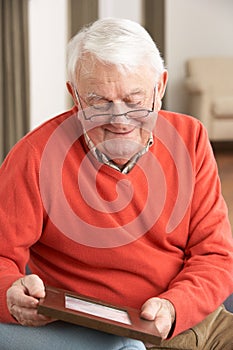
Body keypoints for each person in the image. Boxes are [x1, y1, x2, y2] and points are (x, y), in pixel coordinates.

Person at [0, 17, 233, 350]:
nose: (119, 120)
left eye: (134, 100)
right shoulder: (34, 155)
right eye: (100, 102)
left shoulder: (190, 138)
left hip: (197, 317)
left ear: (160, 88)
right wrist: (9, 293)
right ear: (75, 96)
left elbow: (215, 254)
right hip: (108, 337)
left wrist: (174, 307)